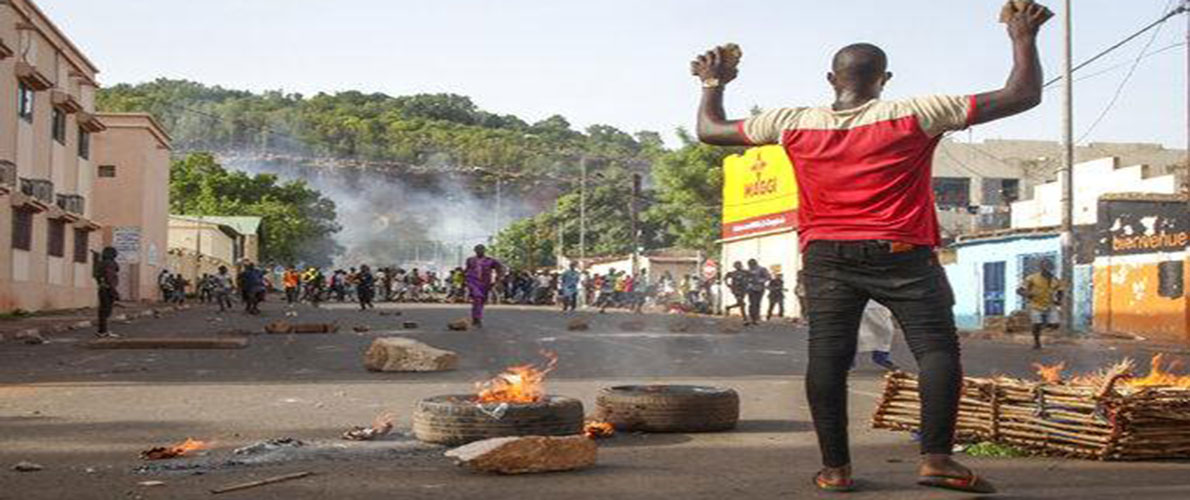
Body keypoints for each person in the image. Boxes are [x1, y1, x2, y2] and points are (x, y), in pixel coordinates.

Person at [689, 3, 1051, 492]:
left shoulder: (791, 121)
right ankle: (937, 460)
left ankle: (835, 470)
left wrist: (714, 83)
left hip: (826, 255)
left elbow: (710, 130)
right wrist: (1022, 35)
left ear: (830, 79)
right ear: (885, 79)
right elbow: (1022, 94)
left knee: (828, 358)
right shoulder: (917, 113)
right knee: (935, 350)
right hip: (902, 253)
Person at [1019, 259, 1063, 350]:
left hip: (1049, 304)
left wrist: (1059, 300)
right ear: (1041, 267)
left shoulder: (1055, 280)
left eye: (1049, 267)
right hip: (1035, 304)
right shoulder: (1032, 278)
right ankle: (1037, 342)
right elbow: (1020, 290)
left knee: (1055, 324)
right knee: (1036, 324)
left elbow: (1060, 290)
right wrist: (1027, 294)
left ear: (1052, 268)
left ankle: (1044, 323)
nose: (1047, 269)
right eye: (1044, 266)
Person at [464, 245, 504, 327]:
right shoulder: (470, 260)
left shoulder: (490, 260)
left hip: (485, 283)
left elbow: (500, 268)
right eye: (477, 249)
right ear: (475, 250)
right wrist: (464, 280)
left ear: (484, 250)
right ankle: (477, 318)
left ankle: (476, 317)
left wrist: (498, 279)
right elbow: (467, 269)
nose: (479, 251)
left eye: (481, 249)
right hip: (473, 281)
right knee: (477, 298)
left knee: (481, 300)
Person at [857, 301, 900, 371]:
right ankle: (848, 362)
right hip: (856, 303)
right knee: (853, 334)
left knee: (886, 331)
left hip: (878, 304)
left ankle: (881, 357)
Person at [94, 247, 120, 338]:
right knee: (106, 311)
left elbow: (97, 276)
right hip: (108, 289)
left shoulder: (101, 263)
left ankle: (102, 330)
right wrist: (114, 291)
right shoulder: (110, 264)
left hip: (102, 288)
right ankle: (103, 331)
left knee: (102, 311)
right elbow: (109, 277)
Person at [745, 259, 771, 325]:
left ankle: (756, 318)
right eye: (749, 265)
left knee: (757, 303)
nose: (750, 266)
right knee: (751, 303)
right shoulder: (748, 270)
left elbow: (768, 277)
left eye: (751, 264)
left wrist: (760, 280)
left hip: (759, 288)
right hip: (751, 288)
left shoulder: (762, 269)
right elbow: (746, 278)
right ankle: (751, 317)